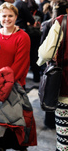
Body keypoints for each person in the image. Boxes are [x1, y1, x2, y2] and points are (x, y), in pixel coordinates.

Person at [0, 2, 35, 150]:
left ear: (16, 17)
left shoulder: (23, 36)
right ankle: (1, 147)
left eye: (10, 16)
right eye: (4, 16)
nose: (7, 19)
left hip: (13, 85)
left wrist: (1, 82)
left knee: (14, 120)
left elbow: (20, 65)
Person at [37, 9, 68, 151]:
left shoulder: (63, 22)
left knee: (64, 142)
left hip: (64, 91)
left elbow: (45, 53)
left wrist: (41, 61)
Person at [24, 0, 43, 82]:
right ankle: (36, 76)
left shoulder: (25, 11)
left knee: (28, 55)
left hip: (28, 36)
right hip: (38, 36)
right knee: (36, 55)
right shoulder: (39, 12)